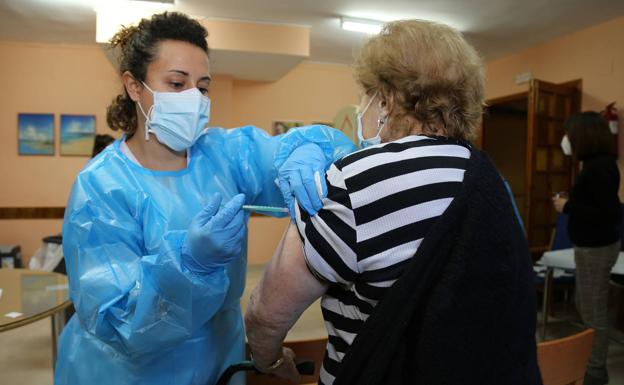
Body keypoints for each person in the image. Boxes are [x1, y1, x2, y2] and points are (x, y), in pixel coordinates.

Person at [54, 12, 355, 385]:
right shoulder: (101, 186)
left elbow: (292, 152)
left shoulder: (224, 154)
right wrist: (189, 266)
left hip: (218, 356)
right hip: (127, 371)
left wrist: (308, 149)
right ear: (134, 86)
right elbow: (120, 323)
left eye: (203, 86)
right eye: (177, 83)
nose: (194, 99)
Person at [245, 20, 541, 385]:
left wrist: (271, 361)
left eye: (364, 96)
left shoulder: (354, 180)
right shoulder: (489, 179)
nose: (361, 108)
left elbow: (265, 314)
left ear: (384, 100)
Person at [552, 111, 622, 385]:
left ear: (583, 135)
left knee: (593, 312)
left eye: (569, 133)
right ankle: (592, 366)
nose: (565, 139)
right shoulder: (595, 164)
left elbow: (607, 213)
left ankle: (594, 373)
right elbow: (597, 203)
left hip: (596, 248)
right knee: (587, 305)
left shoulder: (598, 167)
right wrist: (573, 200)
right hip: (591, 246)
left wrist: (567, 206)